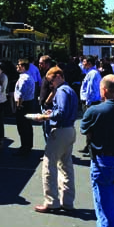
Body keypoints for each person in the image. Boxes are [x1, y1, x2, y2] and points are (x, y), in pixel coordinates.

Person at [80, 75, 114, 227]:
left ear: (104, 90)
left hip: (103, 160)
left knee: (104, 209)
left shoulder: (95, 111)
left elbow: (85, 130)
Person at [33, 67, 79, 213]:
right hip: (70, 129)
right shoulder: (70, 90)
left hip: (60, 130)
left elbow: (62, 112)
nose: (51, 84)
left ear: (58, 76)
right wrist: (51, 113)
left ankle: (51, 201)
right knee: (66, 166)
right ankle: (67, 201)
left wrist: (46, 116)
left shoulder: (62, 91)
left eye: (52, 80)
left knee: (49, 165)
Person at [78, 55, 102, 154]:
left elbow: (91, 89)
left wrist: (88, 102)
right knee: (89, 126)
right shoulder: (90, 72)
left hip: (90, 102)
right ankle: (88, 146)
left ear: (89, 63)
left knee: (90, 126)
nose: (82, 64)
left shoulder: (92, 73)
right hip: (90, 102)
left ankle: (91, 147)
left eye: (84, 62)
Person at [13, 59, 35, 155]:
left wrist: (18, 104)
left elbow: (21, 93)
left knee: (23, 126)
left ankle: (24, 147)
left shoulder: (24, 78)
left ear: (23, 66)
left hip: (24, 103)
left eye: (18, 65)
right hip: (28, 102)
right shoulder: (28, 76)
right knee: (27, 125)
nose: (17, 66)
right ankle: (28, 145)